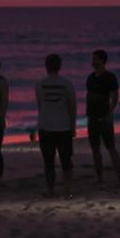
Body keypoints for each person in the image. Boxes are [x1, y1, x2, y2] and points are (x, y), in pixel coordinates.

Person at [33, 53, 77, 198]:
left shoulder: (40, 84)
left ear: (46, 66)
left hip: (46, 127)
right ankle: (68, 191)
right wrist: (73, 126)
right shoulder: (67, 84)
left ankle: (51, 190)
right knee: (66, 161)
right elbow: (72, 106)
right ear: (60, 66)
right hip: (63, 127)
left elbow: (40, 107)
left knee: (48, 162)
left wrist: (39, 125)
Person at [85, 50, 120, 184]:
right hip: (92, 117)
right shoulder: (90, 78)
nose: (93, 61)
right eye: (93, 59)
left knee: (111, 147)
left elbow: (115, 96)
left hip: (104, 117)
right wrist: (88, 115)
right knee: (95, 149)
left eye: (95, 59)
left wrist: (110, 111)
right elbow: (89, 96)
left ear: (102, 61)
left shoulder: (109, 77)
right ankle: (100, 179)